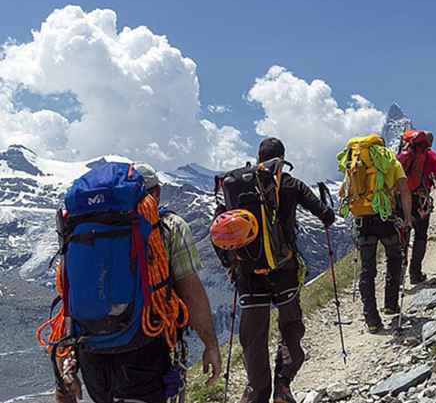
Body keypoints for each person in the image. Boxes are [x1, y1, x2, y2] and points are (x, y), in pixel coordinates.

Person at [55, 163, 222, 403]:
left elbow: (71, 297)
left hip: (91, 354)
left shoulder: (81, 228)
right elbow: (190, 291)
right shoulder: (168, 226)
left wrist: (65, 366)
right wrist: (211, 345)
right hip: (144, 347)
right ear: (153, 194)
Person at [219, 138, 336, 403]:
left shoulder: (236, 186)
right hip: (284, 270)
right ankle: (283, 386)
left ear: (259, 157)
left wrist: (231, 264)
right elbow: (325, 215)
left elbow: (222, 230)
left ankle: (257, 392)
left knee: (253, 337)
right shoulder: (292, 184)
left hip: (249, 274)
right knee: (290, 326)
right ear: (282, 159)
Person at [341, 135, 413, 334]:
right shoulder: (389, 159)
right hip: (385, 218)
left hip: (363, 219)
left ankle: (372, 319)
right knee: (394, 257)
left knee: (367, 269)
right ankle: (390, 304)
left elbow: (346, 190)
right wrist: (407, 218)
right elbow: (404, 190)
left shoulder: (354, 160)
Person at [407, 132, 436, 284]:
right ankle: (415, 274)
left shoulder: (406, 154)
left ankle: (397, 276)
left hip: (403, 200)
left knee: (403, 235)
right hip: (421, 202)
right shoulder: (432, 156)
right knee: (420, 236)